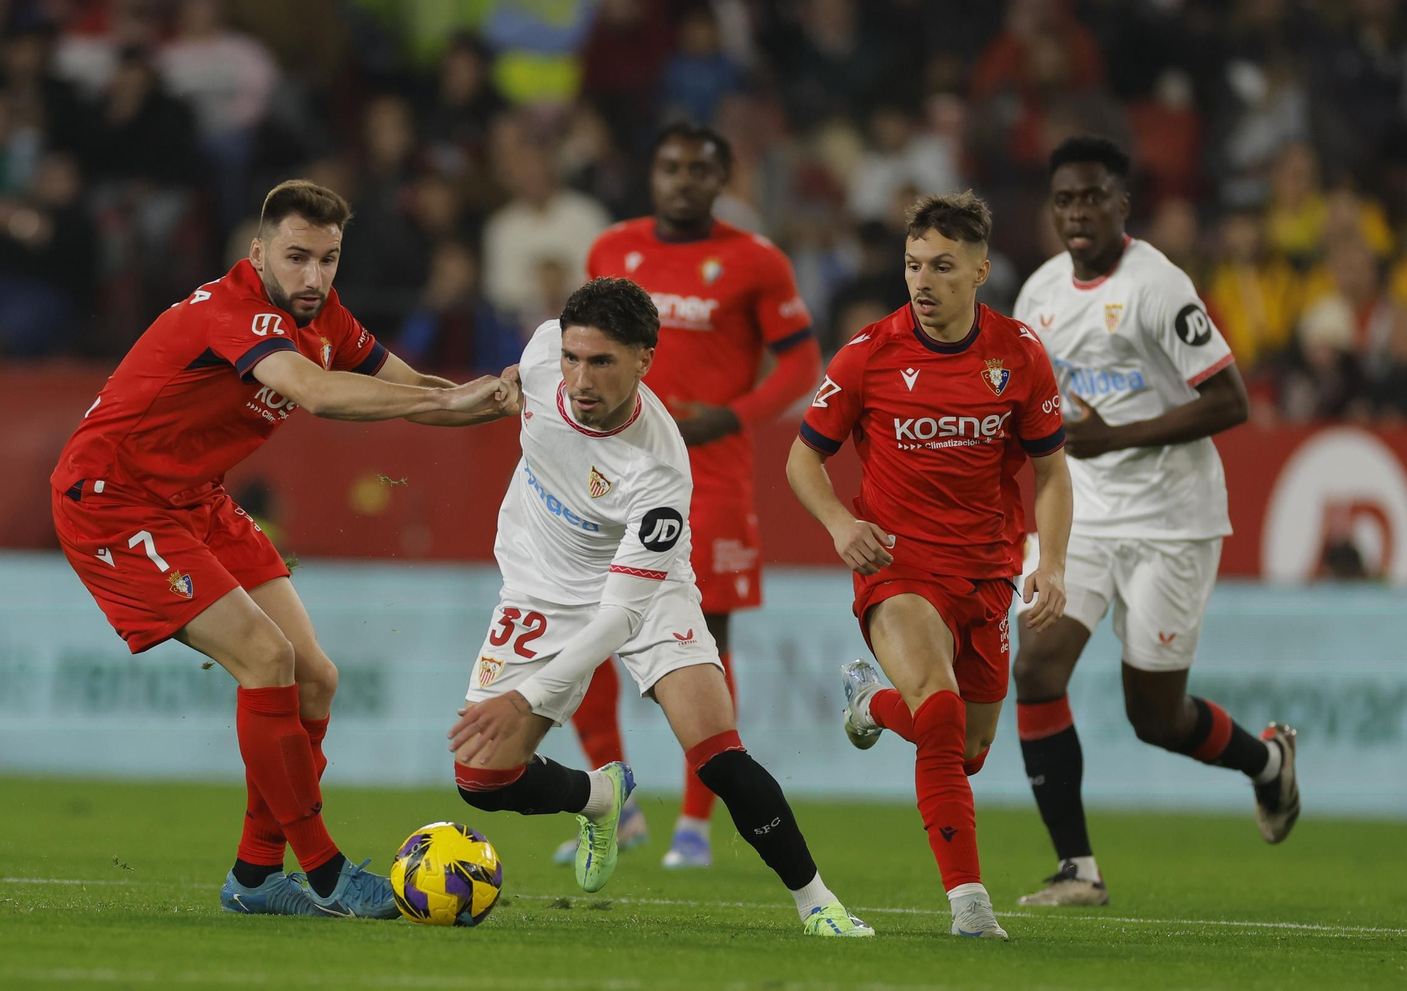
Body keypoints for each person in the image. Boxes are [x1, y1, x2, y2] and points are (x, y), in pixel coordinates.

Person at [50, 180, 516, 919]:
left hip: (192, 495)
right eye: (297, 257)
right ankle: (326, 871)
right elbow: (320, 394)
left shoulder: (322, 313)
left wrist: (488, 397)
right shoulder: (233, 310)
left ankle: (256, 874)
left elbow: (416, 387)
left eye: (328, 259)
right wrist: (453, 400)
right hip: (114, 500)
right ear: (258, 251)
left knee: (316, 678)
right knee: (267, 660)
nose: (313, 276)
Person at [446, 277, 872, 938]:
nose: (580, 379)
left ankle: (817, 901)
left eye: (603, 362)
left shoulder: (660, 473)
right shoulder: (539, 355)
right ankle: (600, 797)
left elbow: (618, 618)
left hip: (642, 588)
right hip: (540, 583)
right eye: (573, 358)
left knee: (718, 752)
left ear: (645, 358)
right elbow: (517, 383)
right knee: (481, 779)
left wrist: (527, 696)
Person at [1010, 136, 1300, 908]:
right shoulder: (1037, 295)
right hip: (1083, 511)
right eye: (1065, 199)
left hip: (1173, 519)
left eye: (1093, 197)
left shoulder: (1158, 287)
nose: (1078, 212)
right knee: (1035, 667)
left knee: (1155, 716)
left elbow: (1231, 400)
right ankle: (1078, 868)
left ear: (1121, 203)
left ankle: (1266, 762)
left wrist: (1116, 436)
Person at [786, 191, 1074, 939]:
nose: (923, 280)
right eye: (914, 264)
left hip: (987, 573)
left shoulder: (1019, 354)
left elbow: (1052, 472)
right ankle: (970, 906)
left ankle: (869, 704)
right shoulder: (867, 354)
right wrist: (841, 522)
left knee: (970, 750)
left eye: (943, 266)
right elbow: (802, 459)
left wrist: (1053, 563)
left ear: (981, 269)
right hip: (898, 569)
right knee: (941, 713)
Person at [565, 121, 821, 868]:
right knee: (583, 631)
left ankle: (697, 824)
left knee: (706, 639)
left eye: (698, 170)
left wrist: (730, 416)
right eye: (670, 166)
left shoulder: (756, 261)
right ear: (653, 172)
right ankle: (618, 805)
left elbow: (800, 363)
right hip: (609, 469)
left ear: (722, 180)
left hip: (709, 475)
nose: (682, 180)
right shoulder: (613, 249)